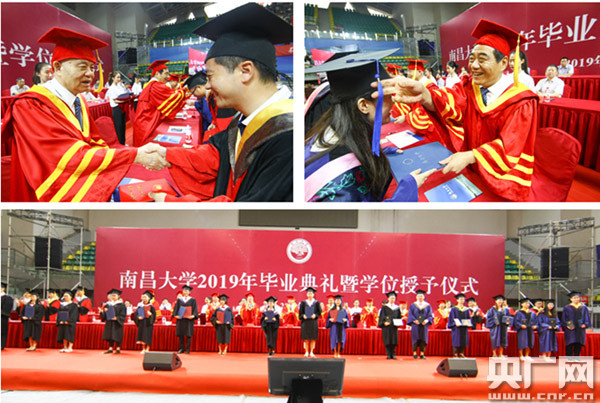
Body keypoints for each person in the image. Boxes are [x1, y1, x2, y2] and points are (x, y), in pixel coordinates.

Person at [144, 3, 293, 203]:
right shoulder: (244, 119)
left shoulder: (288, 139)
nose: (207, 86)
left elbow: (248, 212)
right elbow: (216, 157)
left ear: (245, 71)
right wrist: (167, 154)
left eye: (210, 76)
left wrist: (169, 202)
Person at [378, 19, 538, 202]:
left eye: (482, 59)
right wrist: (425, 95)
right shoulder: (469, 87)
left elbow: (511, 146)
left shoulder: (522, 101)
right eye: (472, 59)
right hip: (469, 169)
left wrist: (472, 155)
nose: (474, 65)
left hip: (500, 179)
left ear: (503, 63)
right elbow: (451, 101)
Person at [1, 27, 164, 202]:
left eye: (92, 67)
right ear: (57, 67)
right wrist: (134, 156)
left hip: (79, 179)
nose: (90, 73)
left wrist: (134, 152)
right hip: (44, 192)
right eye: (82, 66)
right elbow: (64, 159)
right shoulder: (30, 105)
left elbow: (94, 143)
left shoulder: (79, 101)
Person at [304, 49, 434, 202]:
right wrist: (406, 193)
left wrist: (373, 153)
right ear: (364, 105)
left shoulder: (329, 133)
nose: (394, 101)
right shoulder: (341, 180)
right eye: (387, 96)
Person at [133, 59, 188, 146]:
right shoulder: (156, 86)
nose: (168, 77)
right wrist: (184, 89)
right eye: (166, 74)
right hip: (146, 124)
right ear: (157, 74)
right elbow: (173, 97)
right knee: (145, 150)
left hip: (145, 121)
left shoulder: (151, 85)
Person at [184, 71, 214, 143]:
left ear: (199, 87)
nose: (193, 95)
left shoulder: (213, 97)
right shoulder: (206, 97)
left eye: (193, 92)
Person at [562, 291, 591, 357]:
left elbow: (586, 317)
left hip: (580, 328)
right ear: (571, 299)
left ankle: (577, 357)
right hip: (570, 328)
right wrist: (567, 325)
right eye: (574, 298)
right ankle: (569, 358)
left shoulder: (583, 307)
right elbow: (564, 318)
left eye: (577, 297)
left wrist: (585, 324)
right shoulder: (567, 307)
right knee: (570, 342)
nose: (576, 299)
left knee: (578, 343)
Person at [407, 290, 433, 359]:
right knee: (415, 338)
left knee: (423, 338)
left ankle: (422, 353)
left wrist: (426, 320)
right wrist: (414, 320)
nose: (420, 297)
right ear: (416, 297)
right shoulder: (413, 305)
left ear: (424, 297)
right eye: (418, 296)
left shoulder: (427, 305)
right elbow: (410, 315)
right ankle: (415, 353)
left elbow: (430, 315)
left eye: (421, 296)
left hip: (424, 325)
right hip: (415, 325)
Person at [105, 71, 130, 145]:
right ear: (113, 78)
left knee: (123, 126)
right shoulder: (111, 88)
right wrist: (125, 100)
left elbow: (124, 94)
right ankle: (119, 144)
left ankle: (123, 143)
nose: (119, 79)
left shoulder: (120, 86)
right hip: (116, 109)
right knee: (118, 127)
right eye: (117, 77)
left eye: (120, 77)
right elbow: (115, 100)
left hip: (122, 108)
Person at [99, 288, 127, 354]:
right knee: (110, 335)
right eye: (112, 295)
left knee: (118, 335)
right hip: (110, 322)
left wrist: (117, 318)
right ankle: (110, 348)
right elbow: (105, 316)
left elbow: (123, 315)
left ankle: (118, 348)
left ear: (118, 296)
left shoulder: (122, 305)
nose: (113, 297)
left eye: (114, 295)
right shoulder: (108, 304)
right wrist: (103, 312)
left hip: (117, 323)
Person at [172, 285, 198, 354]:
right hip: (181, 319)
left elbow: (195, 309)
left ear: (189, 292)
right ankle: (181, 348)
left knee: (188, 335)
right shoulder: (180, 300)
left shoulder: (192, 300)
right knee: (181, 334)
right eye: (184, 291)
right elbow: (176, 309)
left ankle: (188, 349)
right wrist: (175, 315)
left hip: (189, 320)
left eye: (187, 291)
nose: (185, 292)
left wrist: (193, 315)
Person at [485, 294, 511, 359]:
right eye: (499, 300)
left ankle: (501, 354)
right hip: (495, 328)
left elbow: (509, 317)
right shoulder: (492, 309)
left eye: (501, 300)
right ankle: (494, 354)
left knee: (503, 339)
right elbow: (489, 318)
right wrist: (494, 321)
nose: (500, 301)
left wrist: (508, 322)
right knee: (495, 340)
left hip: (503, 327)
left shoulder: (505, 310)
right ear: (496, 301)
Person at [378, 291, 402, 359]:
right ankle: (388, 354)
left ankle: (393, 354)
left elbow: (399, 317)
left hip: (394, 326)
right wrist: (384, 323)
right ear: (388, 299)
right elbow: (382, 317)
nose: (392, 299)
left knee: (394, 340)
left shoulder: (397, 308)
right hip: (387, 326)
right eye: (391, 298)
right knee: (388, 340)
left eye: (394, 298)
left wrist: (399, 323)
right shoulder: (385, 307)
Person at [299, 287, 321, 357]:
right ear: (306, 294)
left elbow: (319, 312)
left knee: (313, 338)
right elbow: (300, 313)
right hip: (305, 322)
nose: (310, 294)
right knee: (306, 338)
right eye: (308, 293)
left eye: (311, 293)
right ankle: (306, 351)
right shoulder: (303, 303)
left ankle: (311, 351)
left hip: (313, 322)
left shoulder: (316, 303)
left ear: (313, 294)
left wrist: (315, 315)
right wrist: (303, 315)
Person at [448, 293, 470, 358]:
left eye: (463, 299)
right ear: (457, 300)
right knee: (456, 339)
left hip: (464, 327)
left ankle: (461, 353)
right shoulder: (454, 309)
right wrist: (455, 323)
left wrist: (468, 323)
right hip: (456, 327)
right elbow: (451, 318)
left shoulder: (466, 309)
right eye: (460, 299)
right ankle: (455, 353)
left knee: (463, 339)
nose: (462, 300)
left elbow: (468, 318)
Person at [1, 283, 14, 350]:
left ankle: (1, 345)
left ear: (3, 289)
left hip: (2, 318)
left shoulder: (8, 298)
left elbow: (7, 310)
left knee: (2, 331)